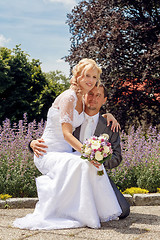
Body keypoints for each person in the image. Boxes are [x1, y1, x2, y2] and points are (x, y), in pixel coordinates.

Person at [13, 58, 122, 230]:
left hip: (65, 154)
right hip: (48, 153)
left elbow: (94, 109)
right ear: (78, 75)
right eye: (87, 75)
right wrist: (89, 154)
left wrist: (108, 115)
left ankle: (89, 211)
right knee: (82, 161)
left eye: (94, 77)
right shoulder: (69, 97)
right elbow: (65, 134)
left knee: (86, 164)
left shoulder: (82, 99)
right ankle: (80, 214)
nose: (91, 80)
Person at [30, 84, 130, 219]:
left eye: (98, 95)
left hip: (97, 175)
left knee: (122, 210)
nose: (93, 98)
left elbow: (117, 157)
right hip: (70, 174)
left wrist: (98, 160)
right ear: (84, 95)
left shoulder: (110, 126)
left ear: (104, 100)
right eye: (90, 94)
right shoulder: (74, 118)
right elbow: (52, 135)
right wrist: (31, 143)